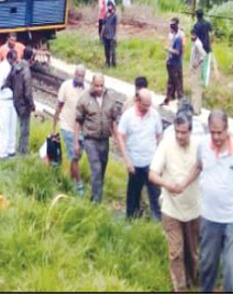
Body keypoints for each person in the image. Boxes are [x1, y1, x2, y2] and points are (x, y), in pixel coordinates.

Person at [174, 111, 233, 293]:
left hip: (231, 219)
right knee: (208, 264)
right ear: (208, 130)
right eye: (213, 132)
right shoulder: (203, 145)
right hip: (209, 217)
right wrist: (184, 184)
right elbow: (198, 166)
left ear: (227, 130)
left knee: (232, 269)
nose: (217, 137)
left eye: (220, 132)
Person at [149, 113, 201, 292]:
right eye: (177, 132)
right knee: (176, 251)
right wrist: (167, 185)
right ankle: (179, 287)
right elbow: (153, 174)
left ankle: (194, 279)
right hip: (171, 208)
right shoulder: (166, 145)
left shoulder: (199, 146)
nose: (180, 136)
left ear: (190, 131)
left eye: (184, 133)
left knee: (193, 251)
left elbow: (201, 167)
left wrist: (185, 183)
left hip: (194, 208)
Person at [74, 73, 122, 203]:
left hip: (104, 139)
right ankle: (97, 202)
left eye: (101, 86)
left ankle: (94, 195)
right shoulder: (84, 99)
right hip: (90, 139)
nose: (99, 88)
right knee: (96, 168)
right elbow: (78, 121)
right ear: (92, 84)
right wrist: (76, 142)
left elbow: (113, 120)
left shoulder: (110, 99)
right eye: (96, 85)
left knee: (102, 168)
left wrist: (117, 139)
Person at [117, 89, 163, 221]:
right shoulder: (128, 116)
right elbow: (120, 136)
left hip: (152, 163)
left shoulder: (154, 115)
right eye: (145, 105)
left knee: (155, 194)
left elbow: (159, 135)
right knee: (133, 195)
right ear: (137, 101)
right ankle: (131, 220)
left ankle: (157, 221)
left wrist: (160, 158)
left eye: (149, 105)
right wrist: (127, 160)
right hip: (135, 163)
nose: (148, 108)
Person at [52, 64, 87, 196]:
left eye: (82, 76)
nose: (79, 78)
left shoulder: (87, 89)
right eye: (77, 75)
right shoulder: (65, 86)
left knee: (76, 157)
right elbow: (59, 106)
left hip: (81, 129)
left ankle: (69, 180)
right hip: (67, 126)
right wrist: (53, 126)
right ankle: (79, 184)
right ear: (74, 73)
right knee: (74, 155)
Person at [10, 46, 35, 155]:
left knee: (15, 125)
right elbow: (28, 92)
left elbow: (9, 81)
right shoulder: (26, 71)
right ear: (32, 58)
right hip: (24, 104)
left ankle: (13, 147)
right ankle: (23, 151)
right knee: (25, 129)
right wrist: (32, 105)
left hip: (15, 100)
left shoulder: (16, 66)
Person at [0, 48, 18, 160]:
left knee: (13, 126)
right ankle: (2, 153)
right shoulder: (1, 68)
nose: (14, 61)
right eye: (13, 59)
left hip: (13, 100)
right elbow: (0, 86)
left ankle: (11, 150)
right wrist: (9, 81)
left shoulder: (14, 67)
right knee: (4, 127)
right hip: (3, 101)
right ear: (8, 58)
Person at [162, 17, 184, 107]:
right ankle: (168, 98)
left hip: (175, 64)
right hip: (171, 63)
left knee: (177, 82)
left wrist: (169, 49)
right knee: (171, 82)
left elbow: (177, 52)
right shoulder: (173, 37)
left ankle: (180, 101)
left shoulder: (178, 38)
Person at [192, 9, 214, 87]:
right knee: (206, 65)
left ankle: (198, 81)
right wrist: (211, 41)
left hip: (199, 48)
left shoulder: (196, 25)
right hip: (207, 47)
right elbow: (212, 33)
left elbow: (193, 37)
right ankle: (205, 83)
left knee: (198, 65)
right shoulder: (207, 23)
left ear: (196, 16)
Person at [189, 29, 207, 114]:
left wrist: (197, 63)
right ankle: (197, 108)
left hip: (196, 70)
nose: (191, 37)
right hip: (195, 69)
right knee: (197, 89)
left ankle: (195, 109)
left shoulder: (197, 44)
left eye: (193, 35)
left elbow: (204, 55)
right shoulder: (196, 43)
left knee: (195, 90)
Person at [101, 2, 118, 68]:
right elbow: (103, 25)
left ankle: (113, 64)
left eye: (110, 6)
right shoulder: (106, 15)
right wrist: (102, 34)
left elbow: (115, 27)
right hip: (105, 35)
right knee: (106, 51)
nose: (109, 7)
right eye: (108, 6)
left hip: (112, 36)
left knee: (113, 51)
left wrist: (115, 36)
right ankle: (107, 63)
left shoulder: (115, 16)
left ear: (113, 7)